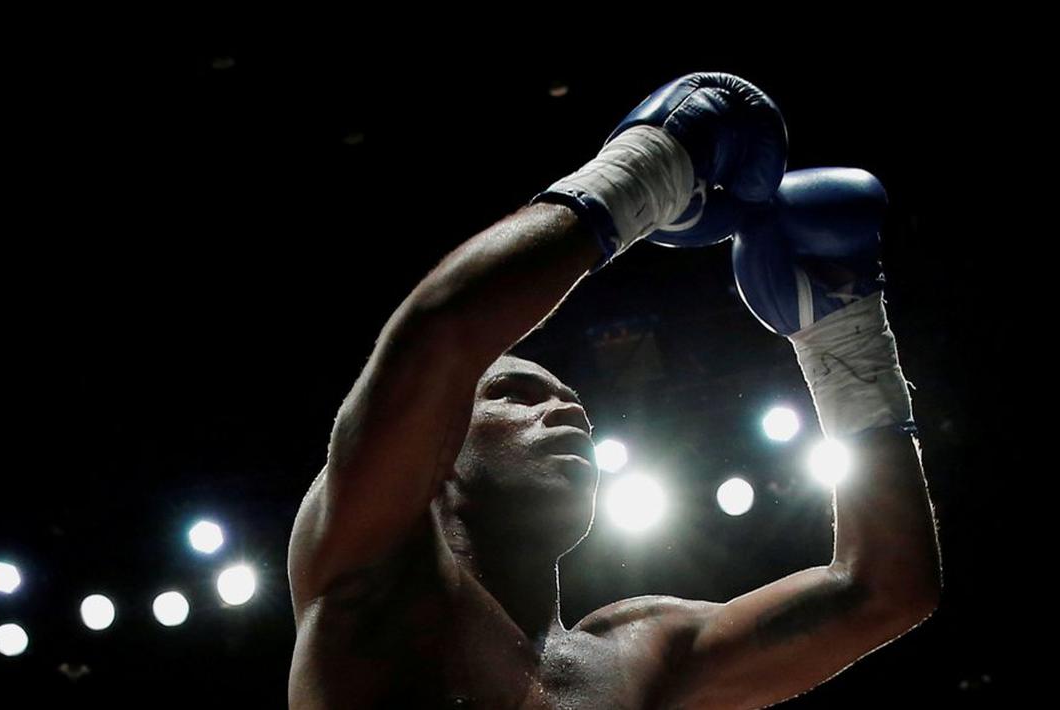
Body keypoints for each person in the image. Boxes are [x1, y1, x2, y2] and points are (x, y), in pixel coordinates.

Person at [287, 73, 941, 709]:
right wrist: (643, 170)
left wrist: (846, 341)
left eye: (570, 402)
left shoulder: (636, 652)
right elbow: (438, 341)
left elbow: (882, 591)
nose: (568, 408)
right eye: (519, 394)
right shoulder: (374, 574)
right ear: (436, 446)